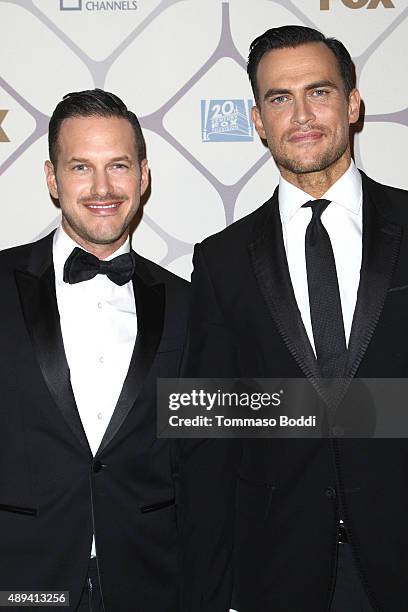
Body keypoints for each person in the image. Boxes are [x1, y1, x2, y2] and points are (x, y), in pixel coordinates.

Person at [181, 26, 408, 612]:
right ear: (258, 120)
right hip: (277, 571)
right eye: (279, 99)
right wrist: (209, 592)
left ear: (353, 104)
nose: (301, 114)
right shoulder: (221, 259)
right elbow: (208, 439)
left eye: (320, 92)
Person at [0, 89, 189, 611]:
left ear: (143, 176)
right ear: (52, 179)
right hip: (20, 581)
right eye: (81, 166)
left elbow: (202, 458)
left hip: (150, 581)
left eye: (119, 166)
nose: (102, 187)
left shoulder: (188, 303)